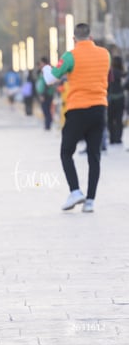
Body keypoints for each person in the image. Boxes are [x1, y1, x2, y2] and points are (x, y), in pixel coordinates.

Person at [43, 23, 110, 213]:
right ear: (90, 36)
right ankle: (90, 201)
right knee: (94, 156)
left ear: (74, 38)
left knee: (66, 152)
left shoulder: (70, 55)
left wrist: (47, 69)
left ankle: (75, 191)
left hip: (78, 109)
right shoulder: (105, 54)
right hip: (99, 108)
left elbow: (51, 79)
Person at [107, 56, 125, 145]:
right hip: (120, 98)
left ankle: (112, 138)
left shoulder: (110, 72)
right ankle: (118, 138)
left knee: (110, 119)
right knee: (119, 119)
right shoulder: (122, 74)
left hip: (110, 98)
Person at [36, 57, 56, 130]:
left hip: (46, 94)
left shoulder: (47, 71)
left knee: (46, 109)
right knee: (45, 109)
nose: (40, 65)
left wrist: (42, 94)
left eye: (41, 63)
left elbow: (47, 83)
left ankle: (48, 124)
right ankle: (47, 124)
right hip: (45, 94)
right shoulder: (43, 71)